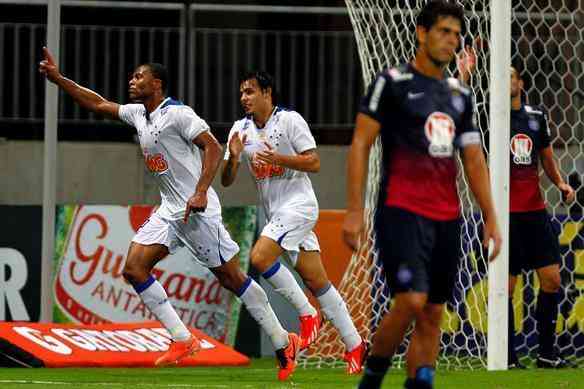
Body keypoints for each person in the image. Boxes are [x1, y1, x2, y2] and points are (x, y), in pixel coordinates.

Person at [39, 48, 300, 380]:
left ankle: (281, 341)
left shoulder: (178, 114)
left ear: (157, 83)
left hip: (198, 212)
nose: (132, 81)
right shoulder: (138, 114)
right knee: (134, 268)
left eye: (139, 76)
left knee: (231, 278)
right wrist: (60, 79)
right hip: (170, 211)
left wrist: (202, 191)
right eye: (133, 76)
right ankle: (182, 338)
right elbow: (99, 103)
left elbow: (214, 147)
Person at [342, 2, 502, 388]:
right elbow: (361, 143)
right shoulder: (392, 83)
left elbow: (474, 159)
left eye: (455, 34)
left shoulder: (458, 95)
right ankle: (372, 379)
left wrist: (491, 216)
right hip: (400, 210)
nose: (451, 40)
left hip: (447, 217)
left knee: (432, 313)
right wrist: (353, 210)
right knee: (411, 301)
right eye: (443, 31)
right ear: (421, 33)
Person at [221, 71, 366, 374]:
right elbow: (227, 180)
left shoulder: (289, 120)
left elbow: (314, 161)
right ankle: (355, 344)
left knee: (260, 257)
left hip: (299, 206)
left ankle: (307, 313)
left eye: (250, 92)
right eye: (241, 93)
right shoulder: (239, 130)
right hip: (279, 214)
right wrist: (233, 158)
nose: (244, 98)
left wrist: (279, 160)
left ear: (267, 92)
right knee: (317, 280)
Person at [458, 52, 576, 368]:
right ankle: (507, 357)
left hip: (535, 213)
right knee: (505, 289)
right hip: (504, 216)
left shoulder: (536, 117)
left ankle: (547, 354)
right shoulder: (489, 117)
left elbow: (547, 158)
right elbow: (459, 109)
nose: (506, 81)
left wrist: (562, 184)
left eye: (511, 76)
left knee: (551, 279)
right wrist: (465, 75)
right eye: (501, 77)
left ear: (520, 83)